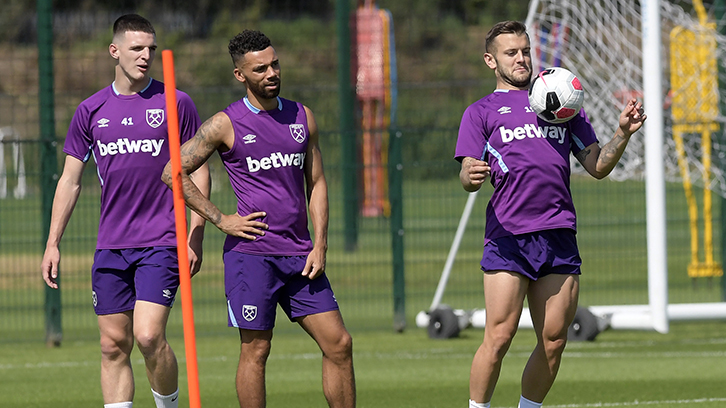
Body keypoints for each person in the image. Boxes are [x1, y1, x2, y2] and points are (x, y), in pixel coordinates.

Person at [455, 21, 646, 408]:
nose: (521, 58)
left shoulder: (561, 101)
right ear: (491, 60)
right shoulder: (481, 113)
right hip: (509, 236)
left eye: (525, 50)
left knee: (554, 341)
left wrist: (623, 133)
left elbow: (596, 165)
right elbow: (468, 173)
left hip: (559, 235)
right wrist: (470, 174)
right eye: (512, 52)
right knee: (499, 336)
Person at [161, 29, 355, 408]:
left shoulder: (303, 117)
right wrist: (221, 219)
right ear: (240, 75)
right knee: (257, 350)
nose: (272, 73)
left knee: (339, 343)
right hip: (252, 257)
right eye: (260, 68)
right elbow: (173, 172)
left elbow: (316, 183)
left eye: (275, 64)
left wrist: (321, 243)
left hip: (301, 255)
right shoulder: (225, 123)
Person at [40, 14, 210, 408]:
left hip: (162, 241)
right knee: (113, 345)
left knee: (149, 336)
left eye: (151, 48)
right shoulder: (90, 110)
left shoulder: (176, 103)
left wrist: (195, 232)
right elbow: (69, 180)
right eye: (137, 48)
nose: (146, 55)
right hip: (111, 244)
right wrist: (53, 243)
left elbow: (199, 171)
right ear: (114, 51)